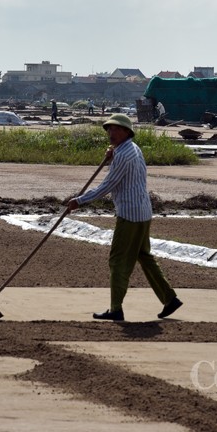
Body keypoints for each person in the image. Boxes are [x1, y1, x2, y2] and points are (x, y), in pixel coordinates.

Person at [67, 113, 182, 321]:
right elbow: (121, 177)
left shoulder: (124, 154)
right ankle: (170, 299)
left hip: (129, 214)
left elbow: (107, 186)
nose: (111, 132)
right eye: (109, 129)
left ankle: (115, 309)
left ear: (127, 132)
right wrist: (111, 158)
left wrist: (80, 201)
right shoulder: (131, 150)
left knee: (118, 261)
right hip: (143, 212)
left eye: (116, 129)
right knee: (144, 256)